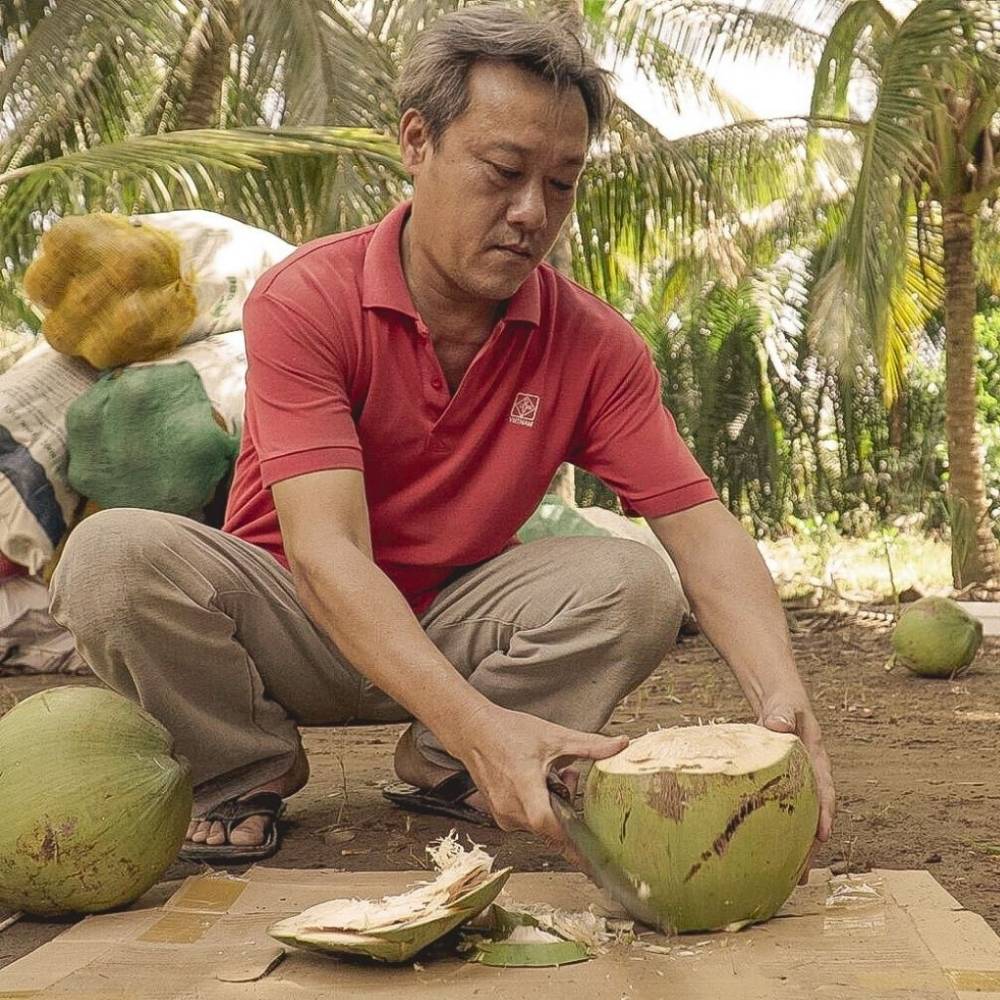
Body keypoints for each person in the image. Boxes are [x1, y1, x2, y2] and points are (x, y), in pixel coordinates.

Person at [50, 4, 834, 864]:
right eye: (502, 170)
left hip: (454, 628)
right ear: (416, 143)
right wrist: (485, 727)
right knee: (110, 554)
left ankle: (444, 765)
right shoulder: (307, 299)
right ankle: (241, 766)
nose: (533, 211)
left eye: (563, 182)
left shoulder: (594, 344)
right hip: (287, 619)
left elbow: (701, 532)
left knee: (634, 580)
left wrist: (781, 699)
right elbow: (324, 554)